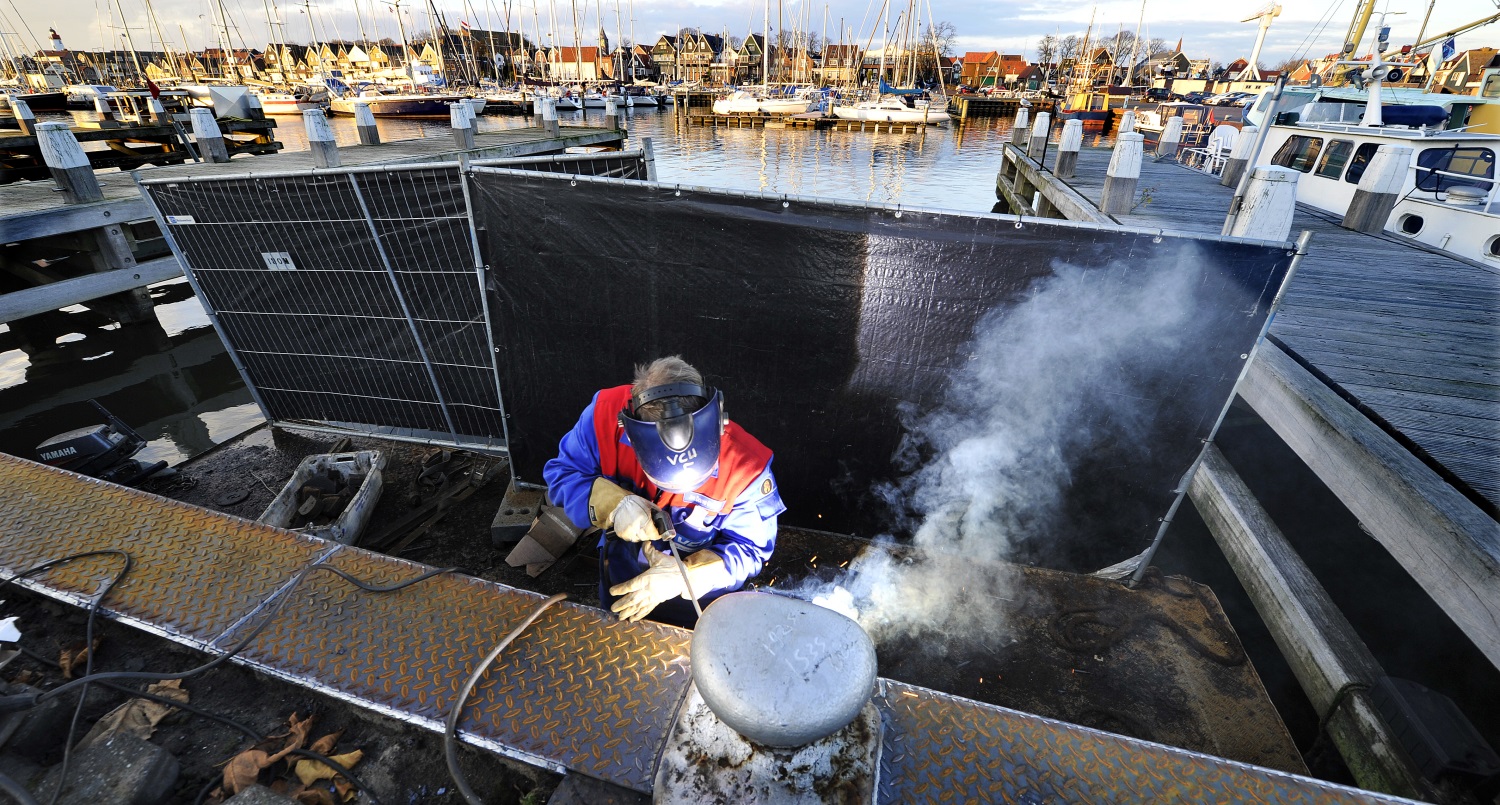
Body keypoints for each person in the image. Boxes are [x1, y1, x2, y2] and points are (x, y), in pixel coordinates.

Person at [543, 357, 784, 627]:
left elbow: (750, 548)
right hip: (624, 565)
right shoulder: (603, 417)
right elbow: (564, 474)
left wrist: (686, 576)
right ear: (632, 434)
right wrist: (613, 505)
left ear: (716, 421)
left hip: (701, 589)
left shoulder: (746, 467)